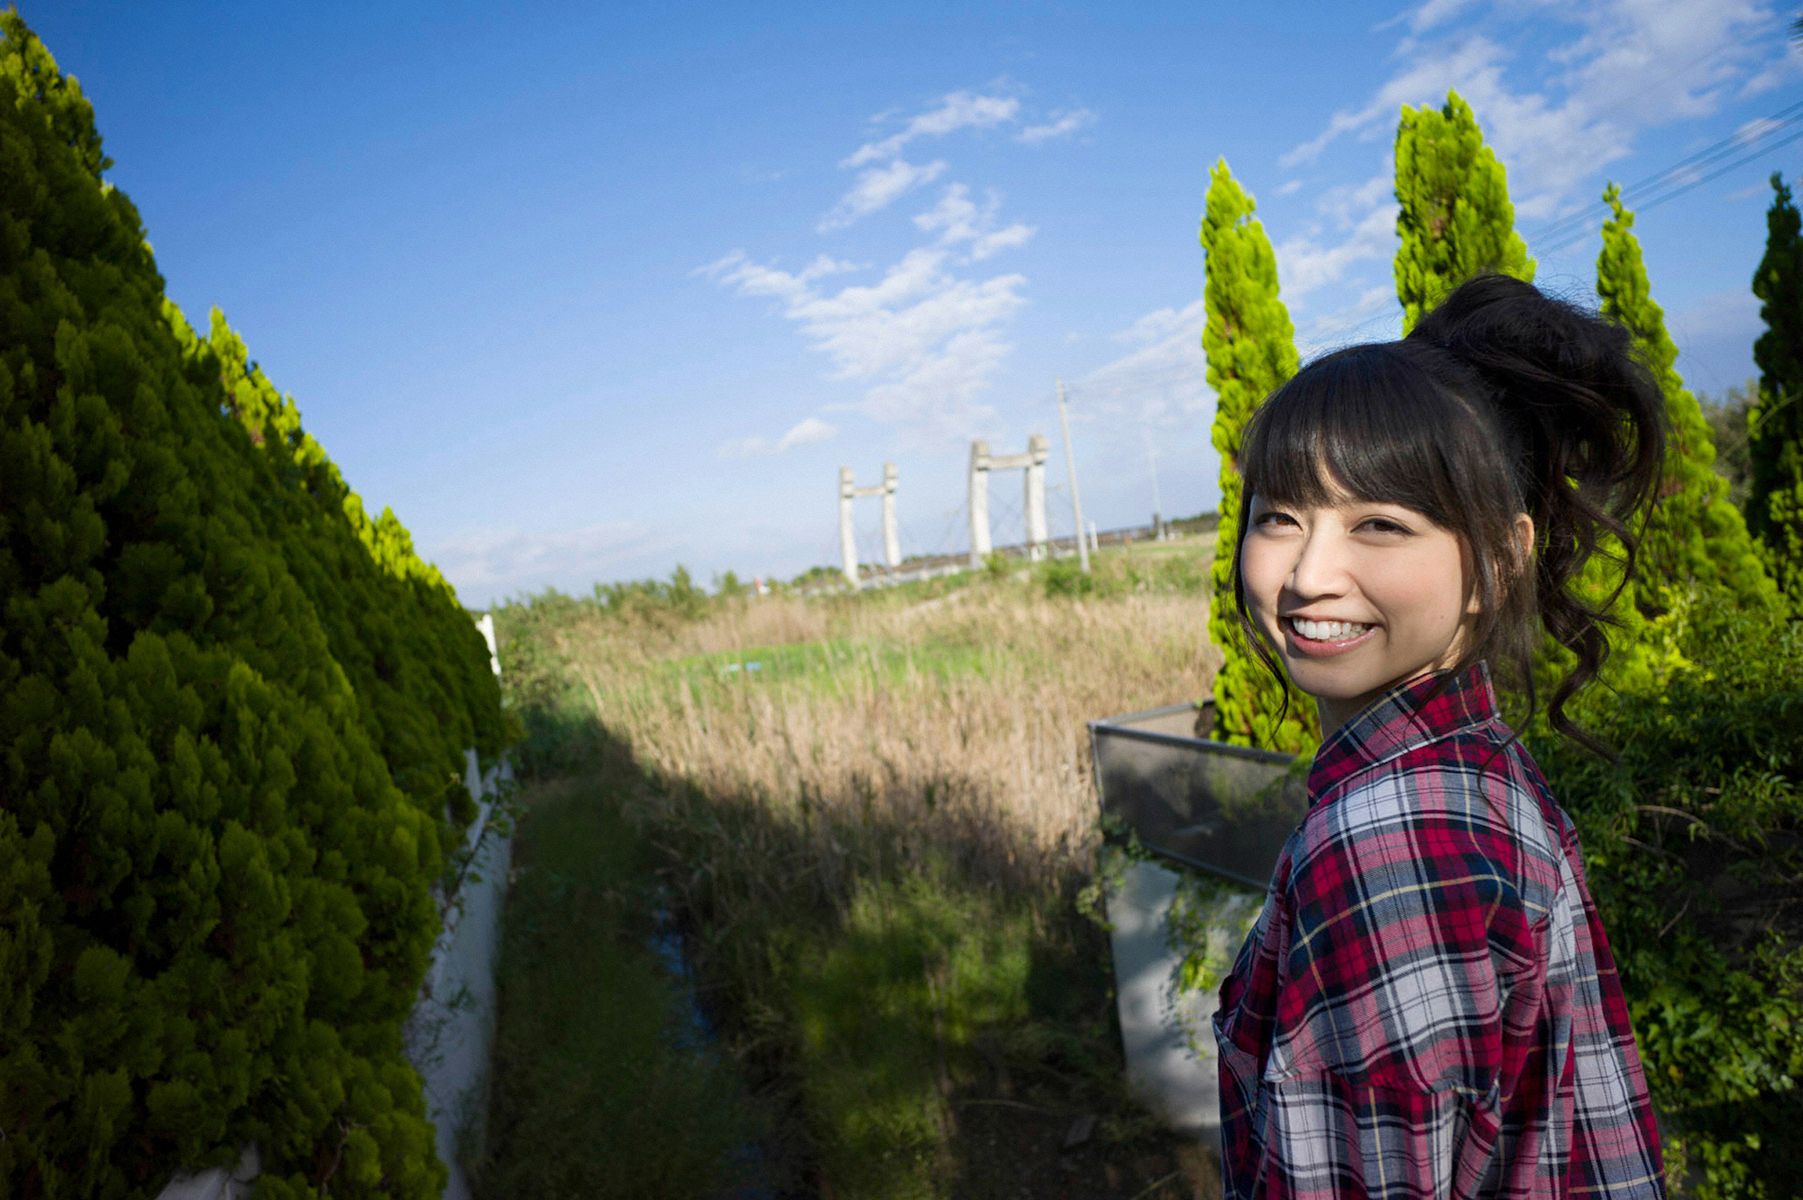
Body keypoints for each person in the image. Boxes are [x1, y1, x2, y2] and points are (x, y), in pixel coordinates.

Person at [1212, 274, 1668, 1198]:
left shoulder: (1389, 841)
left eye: (1378, 523)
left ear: (1500, 555)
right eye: (1278, 517)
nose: (1307, 574)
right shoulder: (1467, 772)